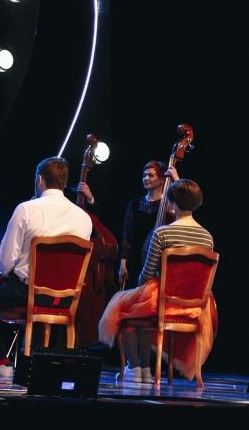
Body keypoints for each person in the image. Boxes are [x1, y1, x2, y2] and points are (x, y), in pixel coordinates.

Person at [0, 156, 92, 378]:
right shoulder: (84, 218)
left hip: (25, 292)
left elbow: (5, 263)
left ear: (39, 180)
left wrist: (10, 272)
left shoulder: (26, 209)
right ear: (65, 183)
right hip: (65, 299)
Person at [99, 179, 215, 383]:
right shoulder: (207, 237)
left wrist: (143, 287)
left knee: (124, 309)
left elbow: (147, 274)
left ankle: (136, 367)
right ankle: (144, 369)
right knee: (141, 308)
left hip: (164, 299)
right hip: (196, 305)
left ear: (172, 203)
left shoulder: (162, 233)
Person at [119, 160, 180, 289]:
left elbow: (184, 206)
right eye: (144, 175)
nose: (146, 178)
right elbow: (127, 235)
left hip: (155, 261)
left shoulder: (168, 206)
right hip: (134, 259)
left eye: (151, 175)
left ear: (162, 180)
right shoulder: (135, 203)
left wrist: (176, 180)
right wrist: (123, 263)